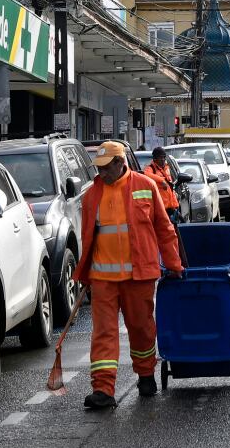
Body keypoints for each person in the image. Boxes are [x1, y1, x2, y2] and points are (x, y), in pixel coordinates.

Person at [73, 141, 184, 410]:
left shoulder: (145, 186)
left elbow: (164, 229)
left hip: (139, 275)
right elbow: (87, 238)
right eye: (97, 168)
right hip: (103, 279)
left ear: (120, 162)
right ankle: (102, 388)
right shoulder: (91, 197)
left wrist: (174, 264)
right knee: (103, 334)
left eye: (105, 167)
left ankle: (146, 375)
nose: (101, 173)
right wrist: (84, 273)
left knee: (142, 328)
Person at [143, 147, 184, 224]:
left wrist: (175, 204)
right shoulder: (151, 168)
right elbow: (146, 174)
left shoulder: (166, 168)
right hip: (160, 209)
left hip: (171, 207)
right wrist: (161, 180)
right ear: (155, 159)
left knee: (177, 228)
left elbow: (170, 186)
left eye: (164, 157)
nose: (162, 159)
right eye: (160, 157)